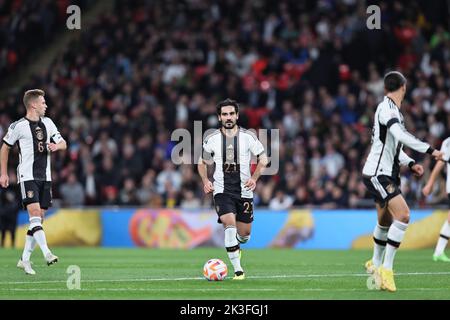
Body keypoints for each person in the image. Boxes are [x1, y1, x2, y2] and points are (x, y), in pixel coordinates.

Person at [361, 71, 444, 292]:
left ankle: (375, 264)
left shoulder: (389, 109)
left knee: (384, 222)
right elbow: (402, 136)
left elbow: (392, 147)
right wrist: (431, 150)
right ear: (403, 87)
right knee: (404, 215)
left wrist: (409, 163)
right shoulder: (388, 110)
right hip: (379, 174)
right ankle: (386, 269)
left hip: (383, 172)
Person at [198, 98, 268, 280]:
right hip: (222, 191)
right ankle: (238, 270)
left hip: (244, 191)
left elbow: (264, 159)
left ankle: (237, 246)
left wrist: (254, 178)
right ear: (219, 117)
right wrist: (205, 180)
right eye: (224, 114)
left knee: (244, 235)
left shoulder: (248, 137)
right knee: (229, 224)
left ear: (237, 115)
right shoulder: (212, 139)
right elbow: (202, 162)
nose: (228, 117)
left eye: (231, 114)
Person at [0, 89, 67, 275]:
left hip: (45, 177)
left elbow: (64, 143)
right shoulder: (18, 126)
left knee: (38, 219)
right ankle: (47, 253)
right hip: (27, 176)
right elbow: (4, 149)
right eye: (43, 102)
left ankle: (24, 259)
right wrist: (3, 174)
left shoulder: (48, 123)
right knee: (35, 214)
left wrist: (56, 146)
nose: (46, 105)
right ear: (33, 105)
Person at [422, 137, 450, 262]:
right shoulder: (448, 142)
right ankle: (438, 251)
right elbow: (441, 162)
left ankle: (438, 251)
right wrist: (430, 183)